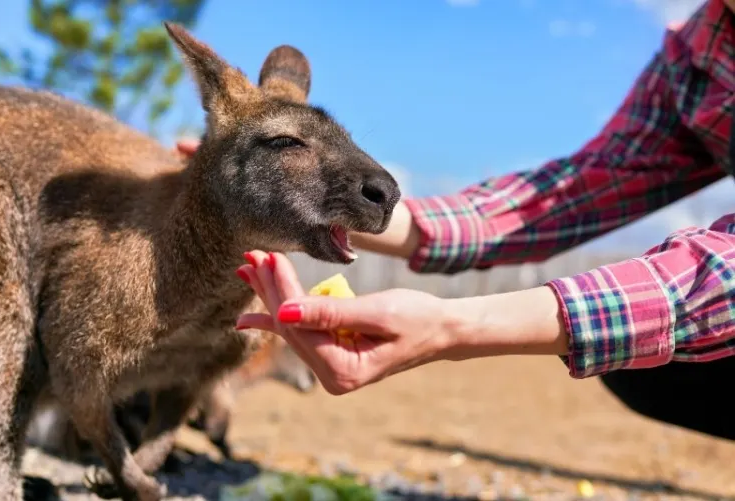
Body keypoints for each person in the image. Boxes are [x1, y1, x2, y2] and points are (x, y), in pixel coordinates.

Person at [176, 0, 735, 440]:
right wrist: (332, 210)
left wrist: (452, 327)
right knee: (638, 363)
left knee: (644, 346)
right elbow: (569, 192)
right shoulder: (702, 53)